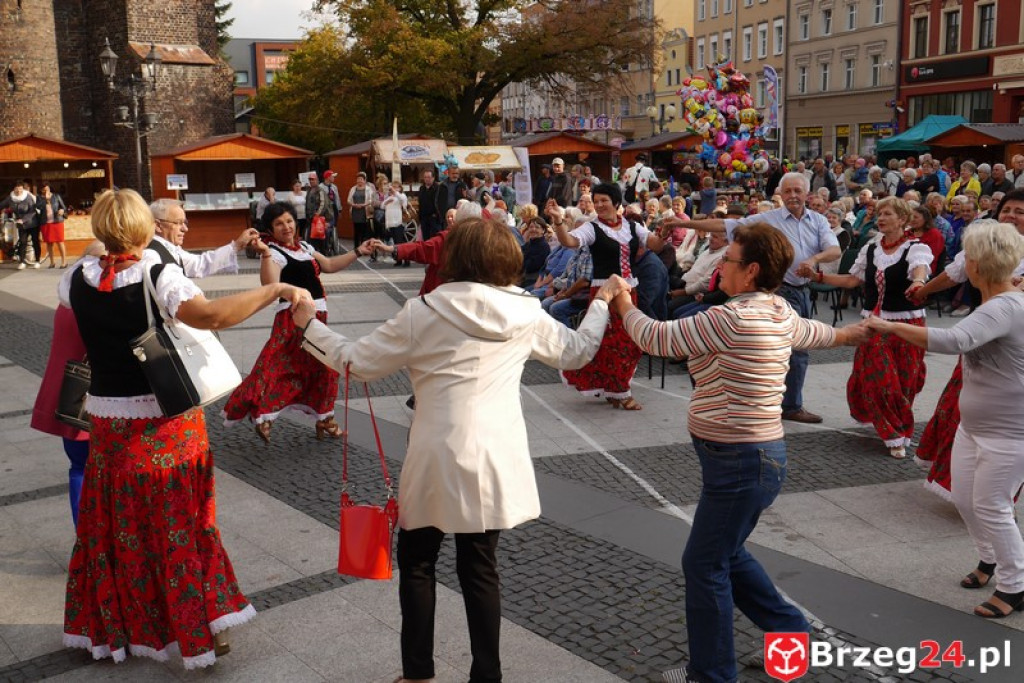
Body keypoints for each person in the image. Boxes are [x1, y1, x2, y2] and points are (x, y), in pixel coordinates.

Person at [293, 218, 621, 683]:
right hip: (495, 453)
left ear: (455, 259)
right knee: (480, 568)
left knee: (419, 561)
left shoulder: (423, 310)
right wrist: (602, 303)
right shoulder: (526, 309)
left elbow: (357, 362)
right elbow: (578, 352)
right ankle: (487, 675)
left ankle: (418, 674)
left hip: (435, 451)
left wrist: (309, 326)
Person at [62, 189, 314, 668]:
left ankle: (119, 626)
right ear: (145, 228)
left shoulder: (78, 276)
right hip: (165, 421)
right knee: (181, 524)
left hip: (108, 422)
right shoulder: (156, 273)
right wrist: (276, 291)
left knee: (116, 526)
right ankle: (200, 627)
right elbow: (213, 315)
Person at [610, 223, 869, 683]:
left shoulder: (731, 317)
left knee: (704, 563)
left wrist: (622, 300)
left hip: (739, 460)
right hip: (754, 458)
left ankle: (711, 674)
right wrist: (850, 336)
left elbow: (656, 338)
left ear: (749, 272)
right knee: (727, 554)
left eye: (727, 260)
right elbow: (813, 333)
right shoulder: (777, 310)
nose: (719, 266)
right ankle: (791, 636)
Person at [866, 221, 1024, 619]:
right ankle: (990, 561)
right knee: (967, 500)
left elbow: (955, 341)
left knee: (991, 505)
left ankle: (1016, 585)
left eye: (967, 257)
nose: (963, 264)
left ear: (977, 265)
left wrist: (889, 326)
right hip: (975, 427)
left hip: (1010, 432)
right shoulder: (997, 304)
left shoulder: (1006, 306)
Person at [686, 172, 841, 423]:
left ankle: (785, 403)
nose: (792, 196)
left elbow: (834, 249)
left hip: (804, 290)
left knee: (798, 349)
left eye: (797, 191)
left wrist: (813, 260)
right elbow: (727, 226)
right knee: (788, 349)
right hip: (781, 290)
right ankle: (782, 404)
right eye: (787, 191)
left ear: (807, 194)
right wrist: (684, 224)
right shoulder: (769, 219)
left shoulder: (819, 221)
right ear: (779, 193)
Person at [908, 192, 1024, 500]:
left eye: (1019, 211)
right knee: (956, 408)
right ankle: (961, 482)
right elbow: (953, 273)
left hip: (1015, 348)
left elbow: (952, 339)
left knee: (1005, 424)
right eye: (1007, 210)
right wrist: (922, 291)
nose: (1011, 215)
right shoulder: (985, 240)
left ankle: (996, 496)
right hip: (982, 336)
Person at [223, 202, 368, 443]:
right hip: (292, 319)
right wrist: (266, 253)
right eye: (279, 223)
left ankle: (323, 419)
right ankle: (264, 414)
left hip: (317, 317)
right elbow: (270, 286)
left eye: (289, 221)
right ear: (271, 228)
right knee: (278, 368)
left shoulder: (305, 248)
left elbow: (329, 265)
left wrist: (358, 251)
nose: (286, 227)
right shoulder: (274, 252)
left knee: (324, 369)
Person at [800, 197, 932, 458]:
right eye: (879, 213)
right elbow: (852, 279)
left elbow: (920, 271)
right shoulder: (871, 248)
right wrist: (818, 277)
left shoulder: (916, 248)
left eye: (887, 214)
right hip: (873, 324)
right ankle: (892, 433)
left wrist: (918, 282)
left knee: (906, 381)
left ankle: (901, 424)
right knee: (881, 380)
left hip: (907, 324)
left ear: (903, 219)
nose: (880, 218)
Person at [550, 184, 664, 411]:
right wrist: (558, 222)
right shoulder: (592, 228)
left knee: (629, 343)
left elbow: (655, 245)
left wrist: (665, 231)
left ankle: (615, 388)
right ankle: (621, 392)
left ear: (616, 202)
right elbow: (568, 241)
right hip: (604, 292)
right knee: (613, 343)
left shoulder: (632, 226)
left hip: (628, 290)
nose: (600, 205)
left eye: (604, 200)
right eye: (597, 200)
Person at [31, 241, 106, 527]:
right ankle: (94, 541)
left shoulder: (67, 293)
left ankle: (83, 539)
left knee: (78, 467)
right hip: (88, 395)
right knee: (90, 468)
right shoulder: (92, 296)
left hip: (67, 393)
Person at [148, 199, 258, 277]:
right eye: (178, 223)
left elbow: (200, 263)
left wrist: (237, 245)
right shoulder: (151, 255)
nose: (185, 229)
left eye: (185, 222)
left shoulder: (171, 249)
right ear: (158, 226)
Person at [0, 180, 39, 269]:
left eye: (20, 189)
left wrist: (23, 219)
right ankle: (22, 262)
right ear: (14, 189)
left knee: (35, 241)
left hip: (32, 222)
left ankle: (37, 261)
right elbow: (2, 205)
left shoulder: (27, 197)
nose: (18, 191)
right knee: (23, 242)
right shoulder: (11, 198)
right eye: (17, 189)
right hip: (21, 225)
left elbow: (33, 211)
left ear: (23, 189)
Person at [36, 182, 68, 268]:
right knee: (49, 243)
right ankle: (52, 262)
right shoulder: (39, 198)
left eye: (47, 188)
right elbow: (38, 207)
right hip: (45, 222)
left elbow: (64, 207)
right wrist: (46, 200)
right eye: (44, 189)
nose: (46, 190)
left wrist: (62, 210)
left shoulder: (56, 196)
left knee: (60, 241)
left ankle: (64, 262)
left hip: (57, 221)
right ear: (41, 190)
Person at [908, 205, 945, 274]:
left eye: (915, 217)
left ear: (925, 219)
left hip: (925, 270)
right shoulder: (908, 233)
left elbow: (932, 258)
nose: (912, 219)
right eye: (911, 217)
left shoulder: (934, 234)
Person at [381, 180, 410, 267]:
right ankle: (398, 260)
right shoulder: (390, 197)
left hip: (398, 222)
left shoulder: (401, 196)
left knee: (400, 243)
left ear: (400, 188)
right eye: (393, 187)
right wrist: (386, 202)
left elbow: (403, 201)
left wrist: (395, 192)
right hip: (390, 223)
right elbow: (382, 206)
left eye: (396, 187)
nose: (394, 189)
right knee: (395, 244)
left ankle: (406, 260)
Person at [346, 172, 374, 256]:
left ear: (365, 180)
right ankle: (356, 248)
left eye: (361, 179)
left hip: (364, 211)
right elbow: (348, 200)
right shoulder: (353, 188)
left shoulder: (369, 189)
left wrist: (363, 205)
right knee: (356, 230)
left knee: (364, 230)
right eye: (358, 179)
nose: (359, 181)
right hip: (355, 211)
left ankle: (363, 248)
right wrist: (353, 205)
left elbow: (371, 200)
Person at [306, 172, 333, 254]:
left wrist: (317, 214)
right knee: (312, 238)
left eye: (313, 179)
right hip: (311, 218)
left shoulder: (320, 190)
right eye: (310, 180)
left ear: (317, 180)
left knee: (321, 237)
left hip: (321, 218)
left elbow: (323, 204)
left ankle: (324, 252)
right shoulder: (309, 190)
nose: (311, 181)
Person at [417, 169, 441, 241]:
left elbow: (440, 202)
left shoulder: (438, 188)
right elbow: (420, 202)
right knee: (425, 238)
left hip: (434, 218)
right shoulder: (422, 188)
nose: (427, 179)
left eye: (429, 177)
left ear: (433, 178)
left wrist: (437, 214)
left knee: (435, 238)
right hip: (424, 218)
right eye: (425, 177)